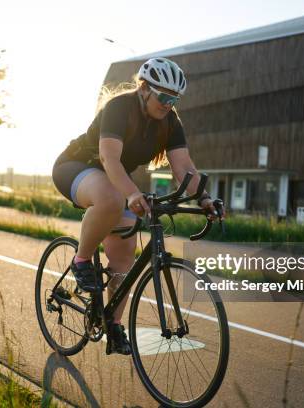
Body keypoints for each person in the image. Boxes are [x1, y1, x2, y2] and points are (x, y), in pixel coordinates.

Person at [52, 57, 224, 355]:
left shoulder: (170, 121)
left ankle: (114, 324)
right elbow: (109, 160)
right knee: (113, 198)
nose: (169, 104)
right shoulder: (120, 107)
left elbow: (183, 166)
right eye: (164, 97)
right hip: (75, 167)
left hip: (111, 179)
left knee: (123, 260)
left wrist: (205, 199)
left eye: (174, 99)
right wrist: (132, 194)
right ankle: (81, 261)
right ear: (144, 89)